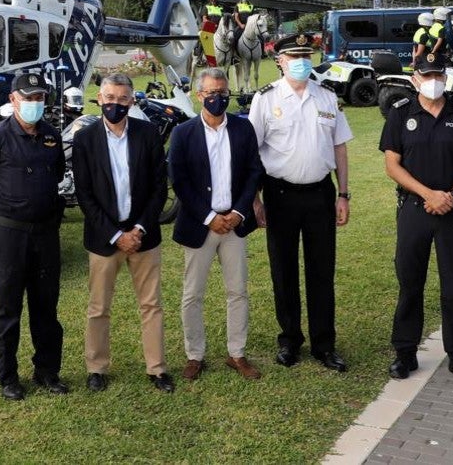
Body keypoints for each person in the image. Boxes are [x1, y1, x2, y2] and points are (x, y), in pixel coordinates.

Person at [380, 52, 453, 385]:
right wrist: (429, 195)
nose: (433, 81)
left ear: (446, 76)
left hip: (451, 210)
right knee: (410, 282)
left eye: (438, 75)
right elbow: (392, 166)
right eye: (426, 76)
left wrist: (451, 196)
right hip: (414, 209)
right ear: (415, 79)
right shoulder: (400, 114)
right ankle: (405, 352)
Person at [249, 33, 353, 372]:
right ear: (279, 60)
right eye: (293, 56)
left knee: (322, 270)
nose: (301, 61)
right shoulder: (265, 99)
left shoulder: (326, 96)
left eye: (306, 55)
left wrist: (343, 193)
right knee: (284, 270)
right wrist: (255, 198)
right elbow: (252, 153)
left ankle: (325, 344)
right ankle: (290, 340)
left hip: (321, 194)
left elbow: (339, 147)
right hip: (279, 194)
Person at [0, 73, 67, 401]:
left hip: (46, 235)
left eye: (39, 98)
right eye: (28, 98)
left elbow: (58, 176)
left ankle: (47, 371)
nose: (35, 104)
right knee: (8, 309)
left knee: (46, 306)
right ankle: (8, 377)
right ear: (13, 100)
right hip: (10, 235)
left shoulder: (51, 137)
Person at [72, 73, 174, 393]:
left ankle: (157, 369)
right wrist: (117, 236)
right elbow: (85, 195)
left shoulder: (148, 134)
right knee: (99, 307)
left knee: (151, 305)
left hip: (143, 234)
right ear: (99, 99)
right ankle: (96, 368)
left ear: (132, 101)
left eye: (122, 99)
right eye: (110, 98)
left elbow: (159, 188)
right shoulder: (85, 139)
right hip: (104, 238)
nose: (115, 104)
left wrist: (139, 229)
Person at [168, 67, 265, 382]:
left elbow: (253, 171)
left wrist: (238, 212)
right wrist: (209, 217)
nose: (217, 98)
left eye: (223, 93)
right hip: (200, 225)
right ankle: (194, 355)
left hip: (234, 223)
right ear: (199, 95)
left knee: (237, 291)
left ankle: (237, 353)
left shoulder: (242, 128)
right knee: (192, 294)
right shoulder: (183, 133)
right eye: (211, 93)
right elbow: (179, 181)